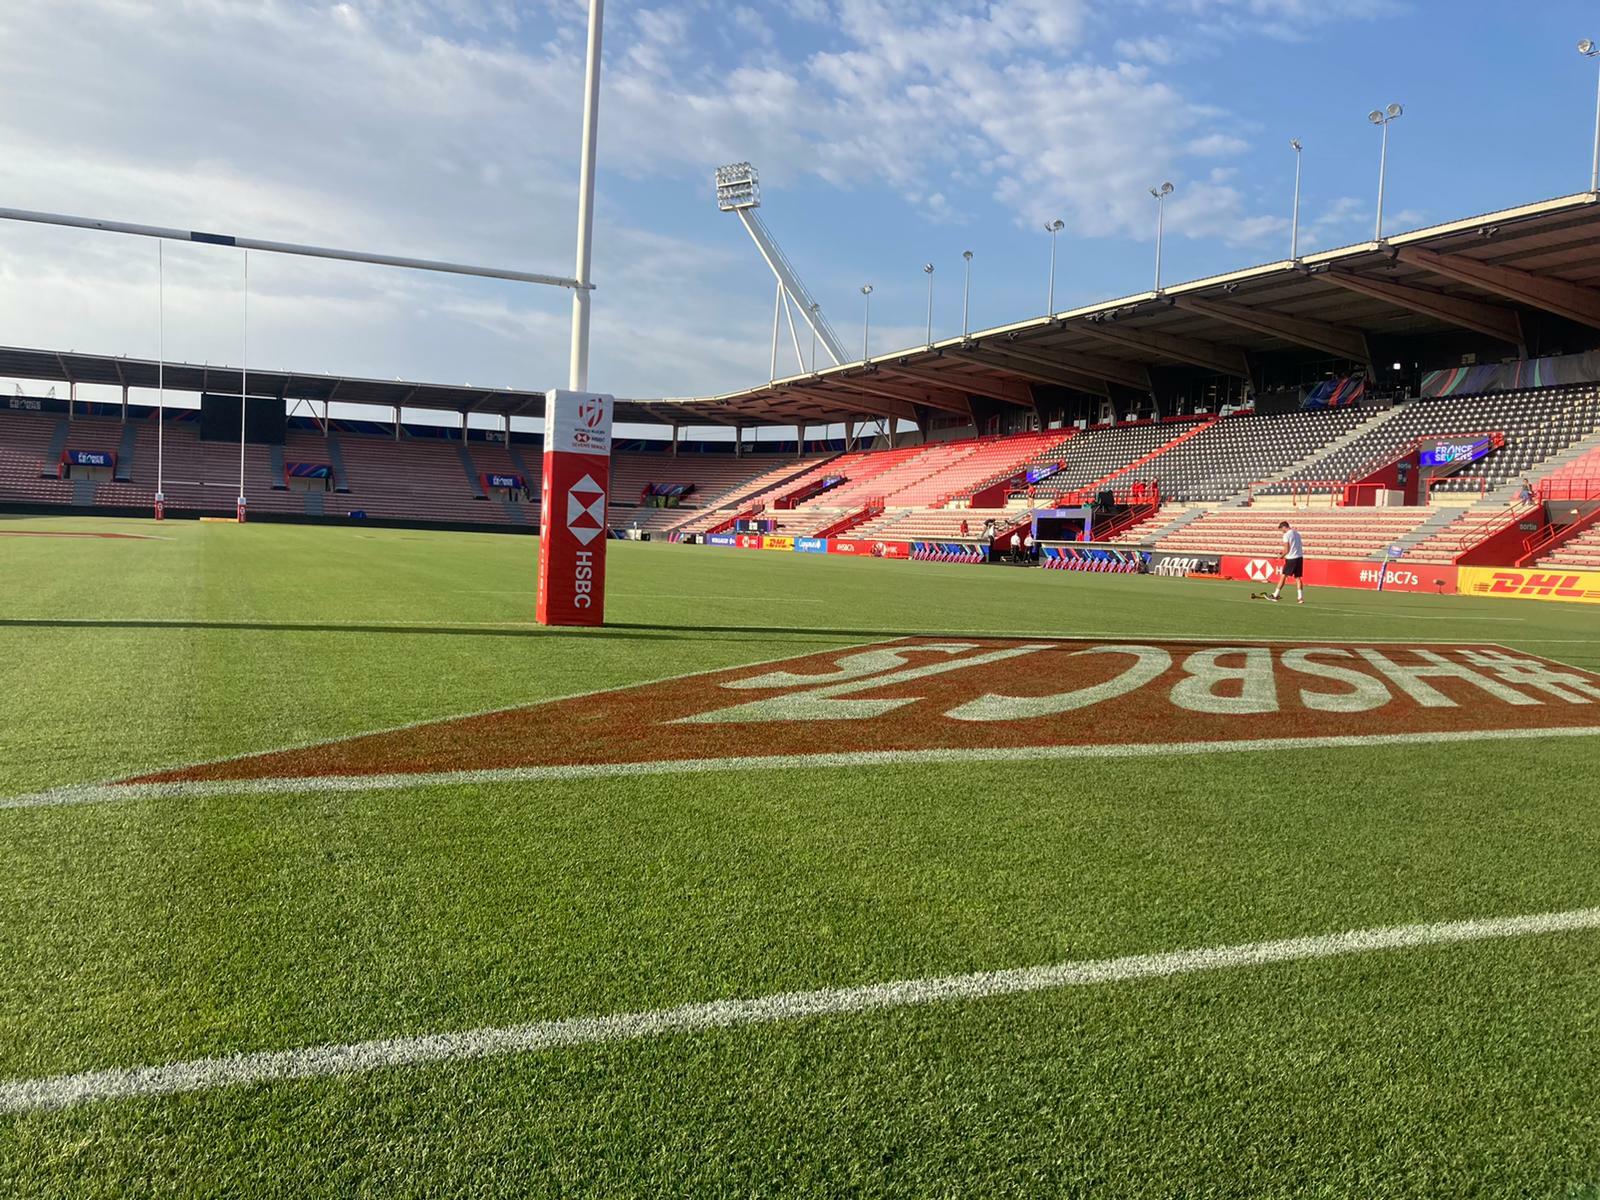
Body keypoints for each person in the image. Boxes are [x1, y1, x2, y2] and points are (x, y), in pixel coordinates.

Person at [1269, 520, 1305, 604]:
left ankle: (1275, 594)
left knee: (1283, 576)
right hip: (1299, 557)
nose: (1282, 531)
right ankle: (1300, 598)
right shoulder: (1297, 533)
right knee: (1298, 578)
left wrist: (1281, 556)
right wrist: (1283, 553)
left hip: (1291, 558)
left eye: (1281, 529)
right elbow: (1295, 546)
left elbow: (1287, 550)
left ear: (1284, 527)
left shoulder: (1286, 535)